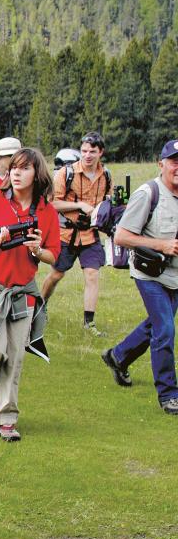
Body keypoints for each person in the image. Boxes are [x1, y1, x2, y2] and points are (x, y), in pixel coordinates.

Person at [0, 148, 61, 441]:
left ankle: (5, 417)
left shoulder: (47, 211)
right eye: (14, 168)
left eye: (24, 168)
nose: (16, 173)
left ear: (37, 174)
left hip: (23, 292)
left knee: (16, 355)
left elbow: (53, 256)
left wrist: (36, 249)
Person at [102, 139, 178, 415]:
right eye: (174, 161)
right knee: (166, 330)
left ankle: (118, 356)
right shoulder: (149, 193)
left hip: (176, 276)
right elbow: (122, 236)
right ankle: (169, 395)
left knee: (157, 324)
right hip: (150, 274)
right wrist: (162, 245)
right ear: (161, 164)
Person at [41, 132, 112, 335]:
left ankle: (89, 323)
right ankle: (40, 305)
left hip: (91, 233)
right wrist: (80, 205)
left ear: (101, 152)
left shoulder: (105, 175)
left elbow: (108, 201)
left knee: (92, 274)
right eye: (84, 151)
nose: (87, 155)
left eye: (92, 151)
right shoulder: (66, 173)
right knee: (57, 274)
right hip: (66, 233)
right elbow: (52, 203)